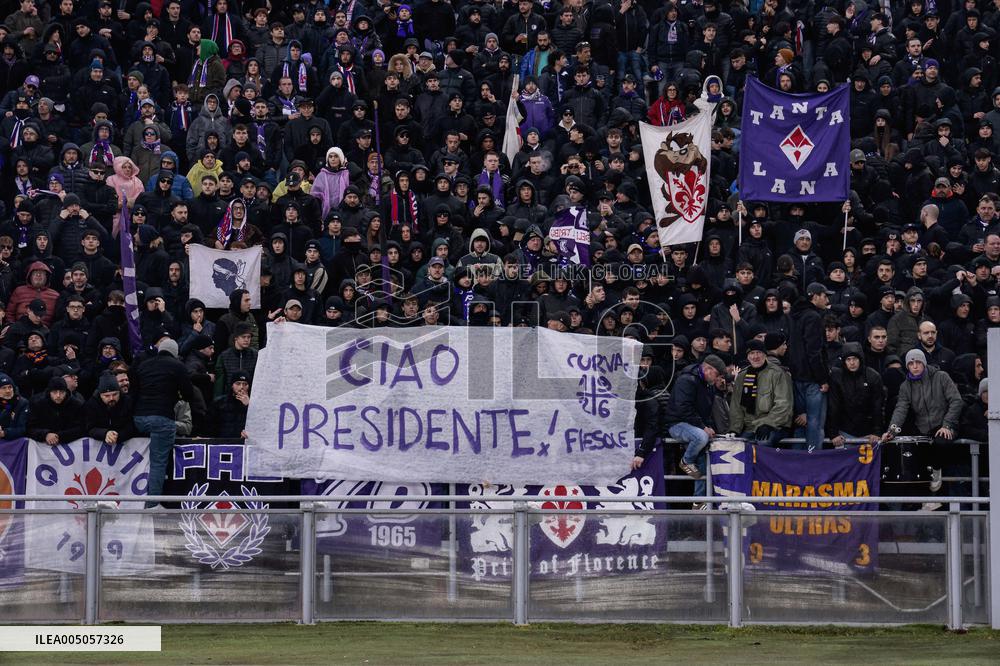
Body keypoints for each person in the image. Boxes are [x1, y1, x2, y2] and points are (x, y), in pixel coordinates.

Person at [882, 349, 965, 509]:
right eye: (911, 363)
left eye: (918, 362)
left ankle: (936, 470)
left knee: (941, 442)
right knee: (917, 462)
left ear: (924, 363)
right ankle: (927, 502)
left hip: (945, 425)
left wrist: (947, 424)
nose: (915, 366)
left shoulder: (941, 377)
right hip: (923, 430)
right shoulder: (905, 386)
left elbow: (956, 401)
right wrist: (891, 431)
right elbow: (901, 409)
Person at [132, 338, 198, 507]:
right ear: (174, 352)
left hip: (138, 419)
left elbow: (133, 392)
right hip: (162, 419)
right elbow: (189, 394)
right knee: (158, 464)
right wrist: (176, 396)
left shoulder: (144, 365)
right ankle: (151, 506)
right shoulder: (177, 366)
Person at [663, 354, 725, 497]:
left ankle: (699, 504)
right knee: (701, 437)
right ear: (708, 369)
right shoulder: (686, 380)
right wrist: (704, 427)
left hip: (693, 424)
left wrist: (709, 426)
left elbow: (706, 412)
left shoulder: (708, 385)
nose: (717, 379)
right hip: (676, 423)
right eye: (717, 375)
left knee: (702, 468)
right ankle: (686, 461)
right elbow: (683, 408)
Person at [787, 283, 831, 451]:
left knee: (800, 422)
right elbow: (814, 352)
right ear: (815, 296)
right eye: (824, 295)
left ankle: (797, 464)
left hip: (797, 377)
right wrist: (822, 379)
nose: (826, 299)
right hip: (812, 380)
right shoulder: (813, 316)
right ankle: (813, 462)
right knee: (815, 423)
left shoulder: (794, 315)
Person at [727, 339, 793, 447]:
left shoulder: (778, 374)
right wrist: (735, 429)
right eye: (752, 353)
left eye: (759, 353)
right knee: (736, 446)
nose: (755, 356)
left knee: (763, 443)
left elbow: (784, 405)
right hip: (750, 427)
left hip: (775, 426)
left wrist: (768, 424)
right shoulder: (742, 376)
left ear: (765, 355)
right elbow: (736, 407)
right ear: (747, 356)